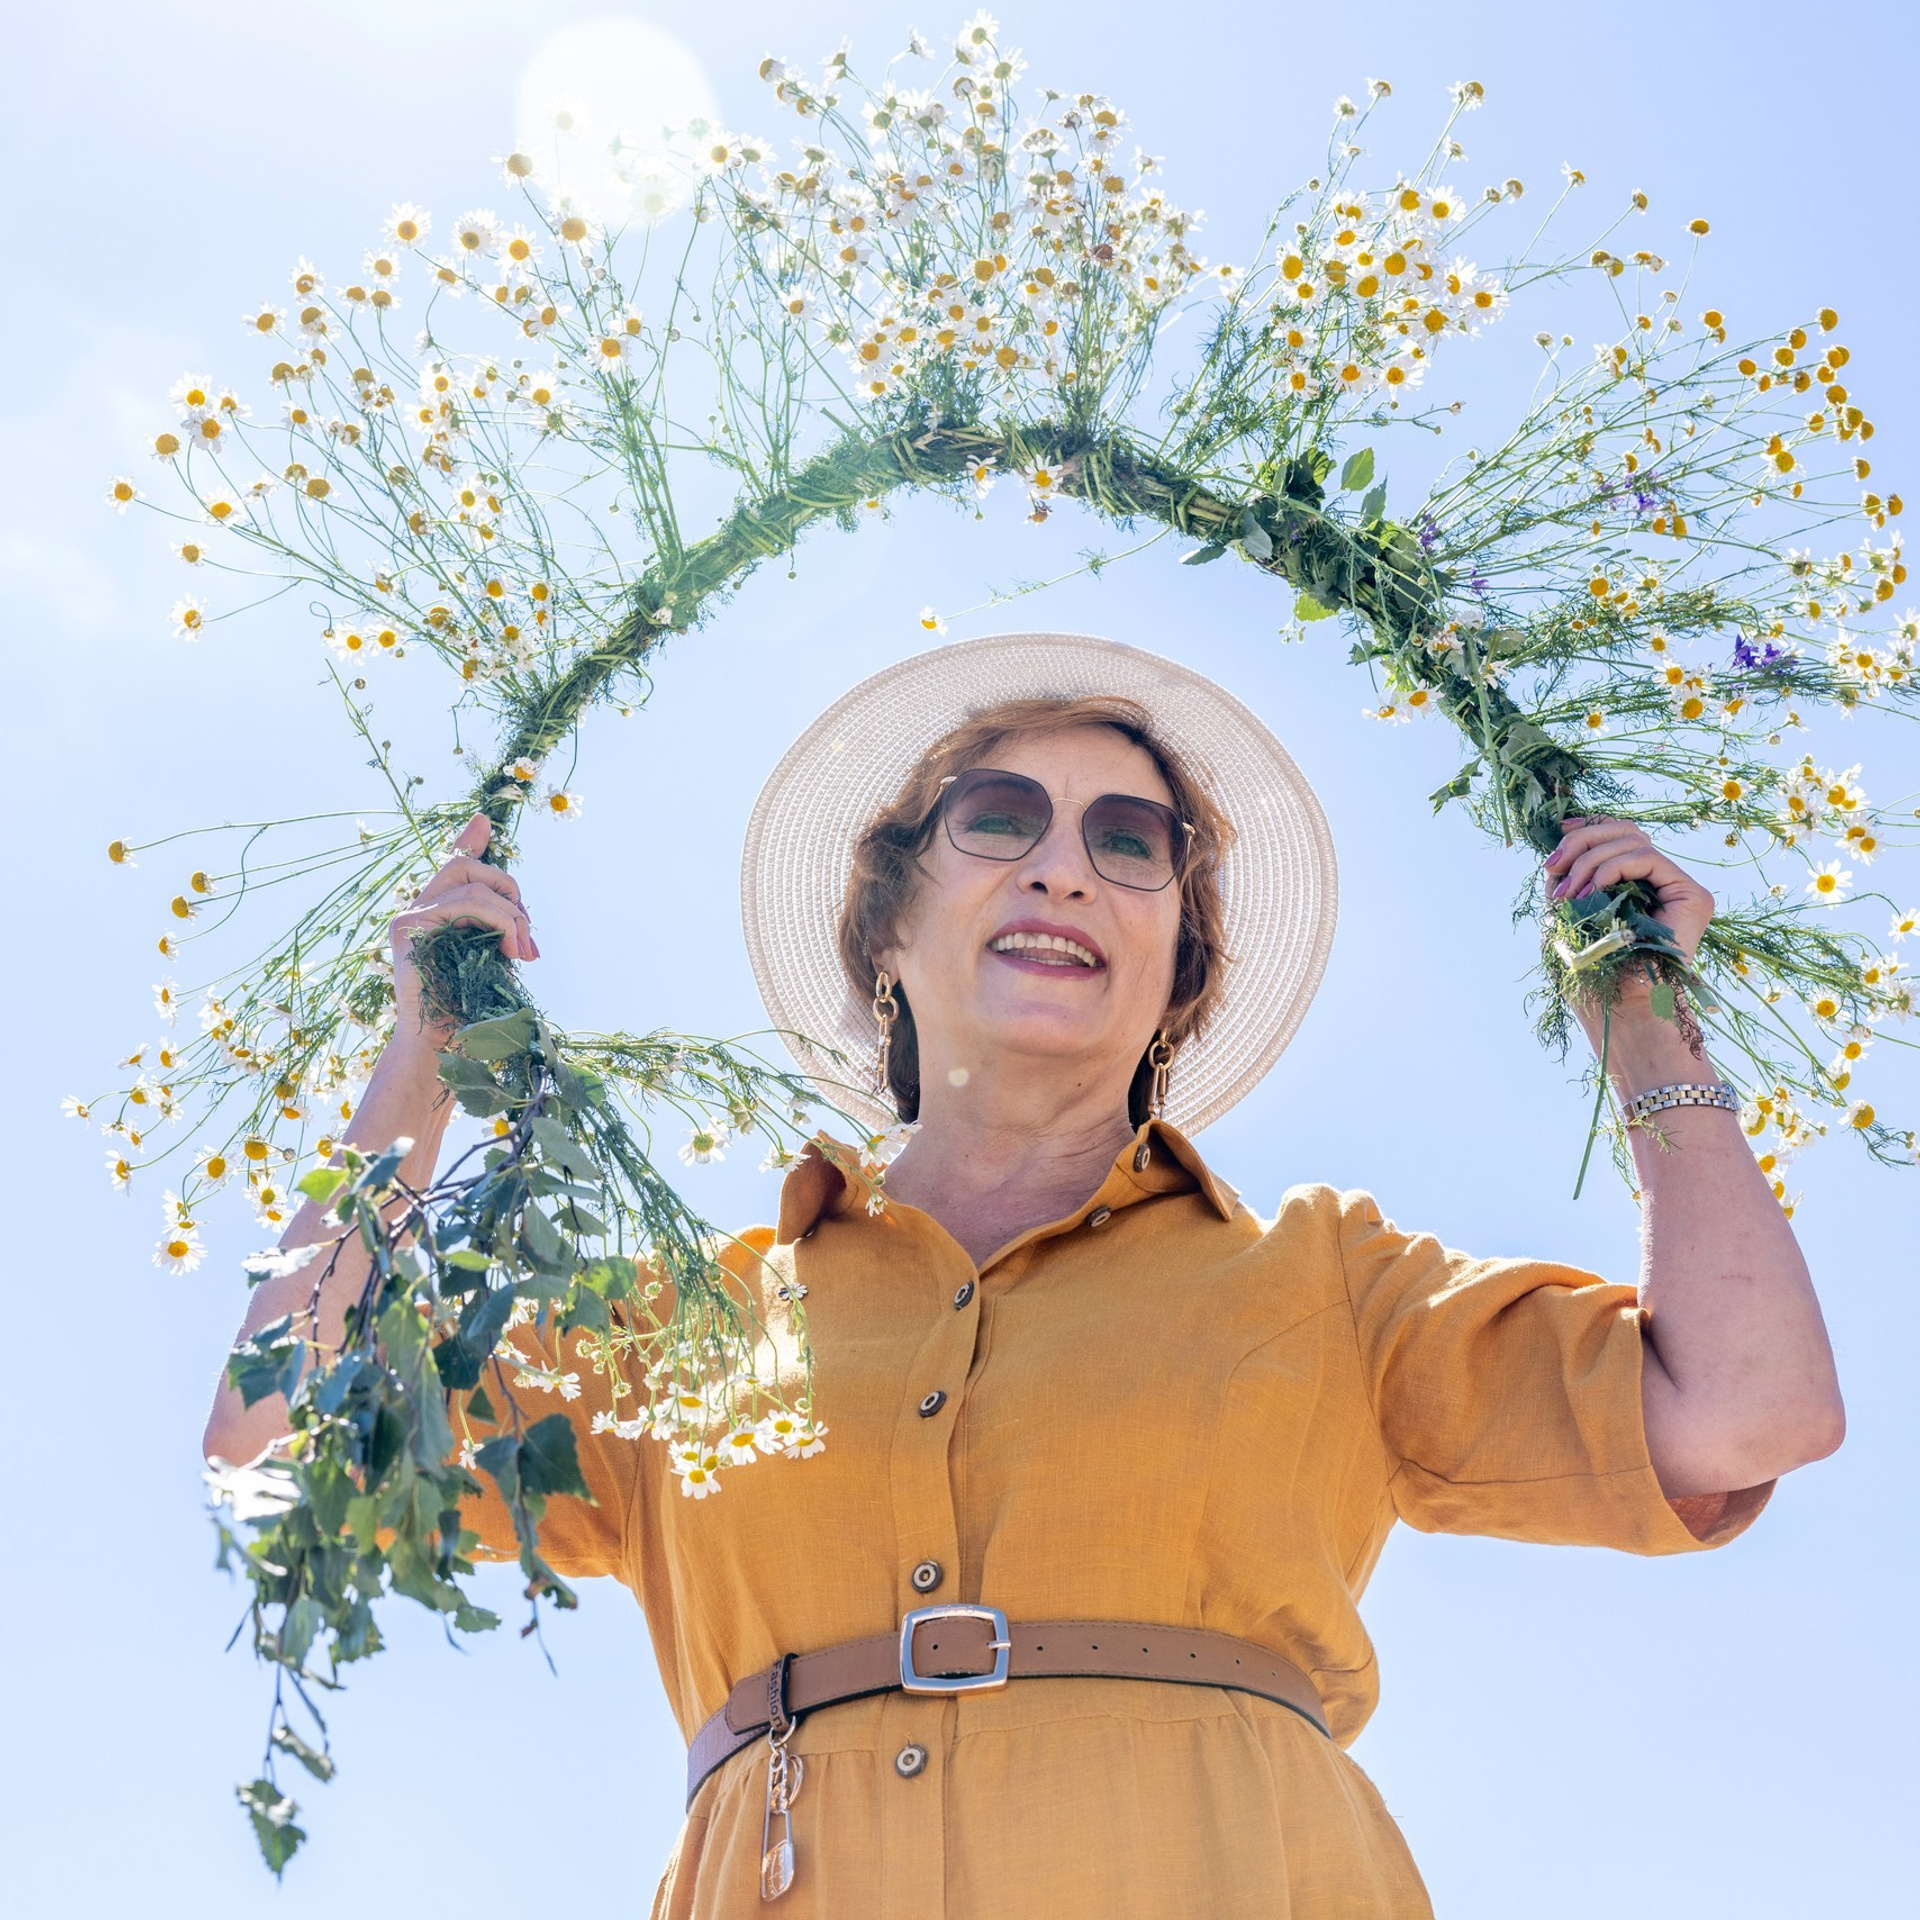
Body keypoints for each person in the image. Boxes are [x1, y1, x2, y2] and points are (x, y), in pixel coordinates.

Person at [204, 632, 1843, 1919]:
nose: (1063, 869)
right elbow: (274, 1451)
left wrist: (1644, 1021)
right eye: (999, 820)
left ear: (1177, 969)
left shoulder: (1329, 1281)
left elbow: (1751, 1407)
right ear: (887, 928)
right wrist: (419, 1067)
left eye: (1131, 844)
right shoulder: (687, 1327)